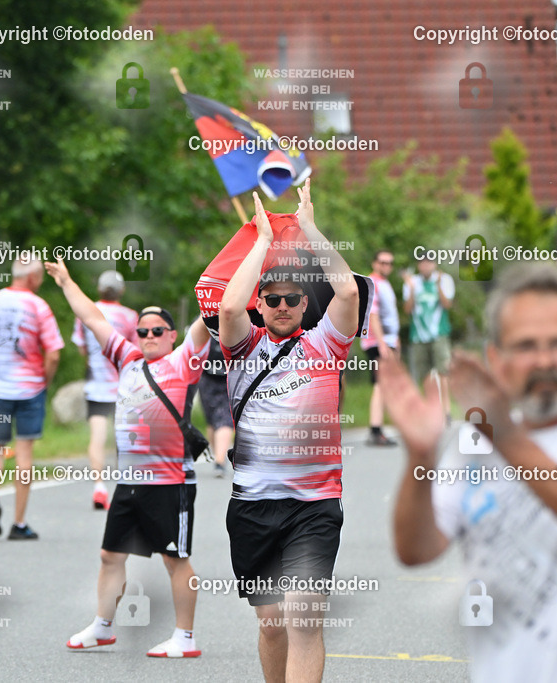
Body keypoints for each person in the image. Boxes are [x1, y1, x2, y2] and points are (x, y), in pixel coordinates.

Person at [386, 263, 557, 683]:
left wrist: (501, 433)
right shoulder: (473, 446)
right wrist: (420, 457)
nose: (544, 360)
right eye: (526, 345)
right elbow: (415, 550)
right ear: (496, 358)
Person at [218, 181, 359, 683]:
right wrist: (262, 240)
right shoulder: (241, 347)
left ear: (303, 305)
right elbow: (228, 309)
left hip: (313, 505)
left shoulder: (326, 345)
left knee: (303, 618)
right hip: (253, 505)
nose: (281, 305)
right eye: (272, 298)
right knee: (273, 623)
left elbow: (347, 291)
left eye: (291, 298)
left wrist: (309, 228)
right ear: (261, 304)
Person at [49, 258, 210, 657]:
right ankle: (103, 627)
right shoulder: (127, 359)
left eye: (157, 330)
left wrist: (236, 270)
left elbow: (210, 317)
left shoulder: (184, 360)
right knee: (110, 555)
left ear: (172, 335)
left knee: (175, 559)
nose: (149, 335)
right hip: (130, 482)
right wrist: (66, 282)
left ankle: (185, 637)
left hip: (170, 483)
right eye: (142, 330)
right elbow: (92, 317)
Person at [0, 255, 63, 540]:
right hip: (30, 389)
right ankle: (19, 523)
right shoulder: (39, 306)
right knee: (24, 454)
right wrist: (44, 380)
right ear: (32, 277)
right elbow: (54, 354)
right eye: (40, 277)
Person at [71, 270, 137, 508]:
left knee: (97, 437)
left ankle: (99, 486)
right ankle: (125, 488)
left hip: (96, 386)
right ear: (121, 291)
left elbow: (81, 348)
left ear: (99, 289)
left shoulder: (86, 312)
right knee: (124, 440)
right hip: (123, 387)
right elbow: (135, 354)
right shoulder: (130, 316)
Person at [402, 253, 453, 417]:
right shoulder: (412, 282)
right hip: (418, 335)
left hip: (439, 334)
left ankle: (446, 411)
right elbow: (407, 309)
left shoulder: (444, 279)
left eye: (429, 262)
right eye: (422, 263)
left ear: (434, 264)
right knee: (424, 374)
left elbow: (447, 305)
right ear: (419, 266)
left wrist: (438, 286)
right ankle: (432, 409)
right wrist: (411, 289)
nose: (426, 266)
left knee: (443, 372)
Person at [360, 249, 399, 446]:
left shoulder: (385, 284)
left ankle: (379, 428)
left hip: (388, 341)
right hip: (377, 343)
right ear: (375, 263)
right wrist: (383, 344)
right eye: (383, 262)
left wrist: (395, 341)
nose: (386, 266)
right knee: (380, 383)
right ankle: (375, 430)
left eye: (389, 263)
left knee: (384, 384)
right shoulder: (373, 283)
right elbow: (373, 315)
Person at [198, 337, 234, 477]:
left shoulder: (206, 326)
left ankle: (219, 460)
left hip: (225, 379)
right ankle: (219, 457)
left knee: (224, 418)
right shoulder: (205, 329)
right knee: (213, 420)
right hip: (210, 379)